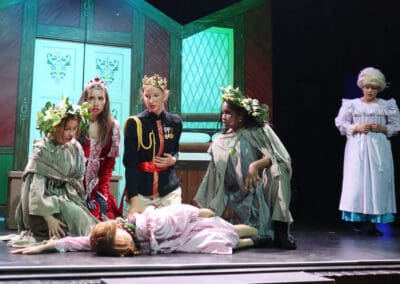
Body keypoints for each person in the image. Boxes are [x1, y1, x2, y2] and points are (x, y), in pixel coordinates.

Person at [193, 86, 296, 250]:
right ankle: (257, 235)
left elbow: (278, 156)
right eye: (222, 113)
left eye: (228, 113)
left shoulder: (257, 131)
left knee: (278, 170)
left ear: (240, 115)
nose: (223, 117)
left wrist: (255, 166)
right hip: (240, 190)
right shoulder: (221, 141)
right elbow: (215, 176)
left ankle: (281, 229)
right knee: (251, 233)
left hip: (263, 184)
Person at [11, 204, 259, 256]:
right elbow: (77, 242)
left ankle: (260, 234)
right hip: (178, 243)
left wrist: (198, 213)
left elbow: (176, 213)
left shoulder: (150, 222)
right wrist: (45, 245)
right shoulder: (103, 240)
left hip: (184, 226)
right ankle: (250, 243)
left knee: (228, 229)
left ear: (118, 227)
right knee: (218, 243)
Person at [13, 97, 99, 245]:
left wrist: (74, 197)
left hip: (67, 197)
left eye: (74, 129)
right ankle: (95, 240)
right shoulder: (43, 149)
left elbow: (77, 178)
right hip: (44, 206)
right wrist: (48, 217)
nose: (71, 133)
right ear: (56, 127)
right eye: (67, 129)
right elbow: (35, 189)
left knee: (82, 217)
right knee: (77, 217)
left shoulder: (74, 147)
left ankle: (101, 239)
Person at [335, 67, 400, 236]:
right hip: (357, 147)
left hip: (379, 148)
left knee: (377, 183)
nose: (370, 90)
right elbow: (341, 124)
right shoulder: (352, 105)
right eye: (367, 86)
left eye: (374, 87)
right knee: (357, 181)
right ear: (362, 86)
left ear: (379, 88)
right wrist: (356, 127)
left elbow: (396, 126)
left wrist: (382, 127)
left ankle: (373, 222)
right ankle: (356, 220)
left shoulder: (387, 106)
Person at [123, 74, 182, 219]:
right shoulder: (135, 123)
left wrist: (173, 160)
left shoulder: (175, 122)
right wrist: (134, 201)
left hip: (168, 190)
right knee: (135, 229)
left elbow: (175, 151)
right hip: (142, 190)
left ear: (165, 95)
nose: (151, 100)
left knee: (174, 227)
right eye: (147, 95)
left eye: (156, 95)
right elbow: (130, 165)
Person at [78, 77, 121, 221]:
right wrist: (82, 194)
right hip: (73, 186)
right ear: (85, 100)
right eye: (91, 98)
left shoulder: (112, 127)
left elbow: (108, 167)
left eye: (100, 98)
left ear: (105, 101)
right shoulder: (76, 122)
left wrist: (101, 194)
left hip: (97, 188)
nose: (95, 103)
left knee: (100, 216)